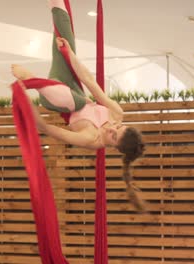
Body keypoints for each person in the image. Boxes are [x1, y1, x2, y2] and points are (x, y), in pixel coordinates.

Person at [11, 0, 146, 212]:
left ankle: (34, 80)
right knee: (63, 24)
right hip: (69, 80)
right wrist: (68, 54)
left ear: (114, 147)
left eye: (112, 136)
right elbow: (90, 82)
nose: (111, 128)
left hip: (56, 100)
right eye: (118, 128)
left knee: (77, 101)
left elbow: (48, 129)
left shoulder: (91, 139)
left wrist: (27, 102)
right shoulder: (116, 113)